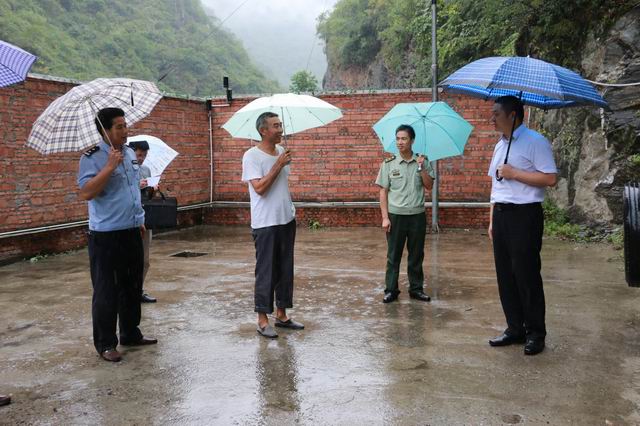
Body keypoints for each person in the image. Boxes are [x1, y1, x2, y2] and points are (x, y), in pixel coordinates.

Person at [77, 107, 157, 362]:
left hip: (132, 230)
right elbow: (87, 192)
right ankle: (105, 344)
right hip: (106, 236)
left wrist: (139, 219)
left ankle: (130, 333)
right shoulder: (91, 157)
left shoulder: (130, 152)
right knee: (107, 291)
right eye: (119, 127)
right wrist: (109, 167)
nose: (125, 131)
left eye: (125, 125)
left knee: (132, 287)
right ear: (105, 130)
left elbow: (132, 190)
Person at [487, 96, 557, 356]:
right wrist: (492, 220)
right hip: (502, 216)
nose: (492, 119)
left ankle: (536, 333)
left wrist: (515, 173)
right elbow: (495, 186)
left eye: (496, 114)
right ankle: (515, 328)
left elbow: (550, 178)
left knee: (526, 275)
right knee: (505, 275)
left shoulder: (535, 142)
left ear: (513, 115)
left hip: (524, 216)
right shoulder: (499, 145)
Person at [241, 112, 304, 338]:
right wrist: (278, 164)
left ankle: (282, 315)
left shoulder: (281, 151)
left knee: (285, 269)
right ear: (263, 130)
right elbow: (259, 188)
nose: (280, 129)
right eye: (275, 126)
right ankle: (262, 320)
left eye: (280, 125)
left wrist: (281, 161)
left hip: (286, 219)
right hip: (265, 223)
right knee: (266, 271)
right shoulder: (251, 156)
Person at [375, 124, 434, 304]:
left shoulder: (422, 161)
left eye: (404, 138)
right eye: (398, 138)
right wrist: (385, 218)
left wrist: (421, 167)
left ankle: (416, 289)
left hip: (417, 216)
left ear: (412, 141)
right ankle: (391, 290)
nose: (400, 142)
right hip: (396, 216)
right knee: (393, 256)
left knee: (416, 255)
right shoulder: (388, 164)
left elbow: (429, 186)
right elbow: (383, 191)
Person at [129, 140, 157, 304]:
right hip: (127, 219)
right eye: (139, 155)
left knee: (145, 260)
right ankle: (128, 292)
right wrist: (136, 185)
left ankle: (138, 290)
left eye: (144, 155)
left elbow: (148, 197)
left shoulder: (146, 170)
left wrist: (153, 188)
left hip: (144, 217)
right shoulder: (124, 170)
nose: (141, 158)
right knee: (130, 260)